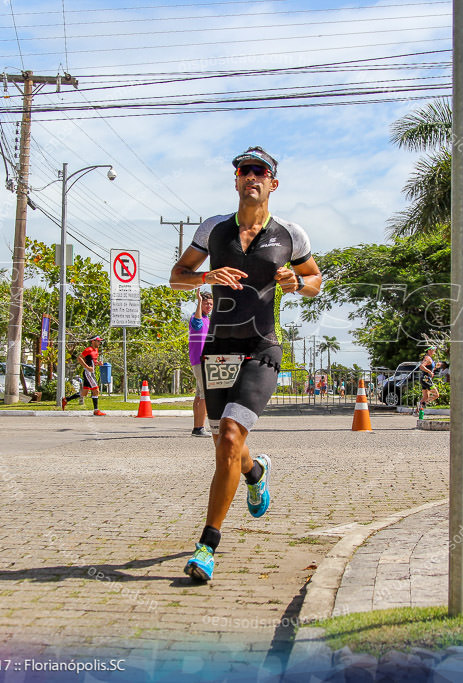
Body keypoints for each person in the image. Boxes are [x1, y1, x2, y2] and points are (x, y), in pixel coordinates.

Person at [169, 146, 321, 582]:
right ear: (236, 180)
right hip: (218, 346)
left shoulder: (291, 234)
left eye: (260, 171)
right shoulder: (213, 229)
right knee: (227, 447)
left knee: (232, 434)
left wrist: (297, 282)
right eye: (244, 170)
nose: (251, 176)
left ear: (273, 183)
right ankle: (256, 472)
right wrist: (205, 278)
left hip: (261, 346)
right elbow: (177, 274)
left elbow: (316, 280)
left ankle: (206, 546)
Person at [189, 290, 214, 436]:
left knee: (199, 395)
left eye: (211, 304)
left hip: (203, 360)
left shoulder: (207, 320)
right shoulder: (196, 318)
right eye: (206, 303)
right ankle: (200, 428)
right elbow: (197, 322)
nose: (209, 306)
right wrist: (199, 301)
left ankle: (197, 427)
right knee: (206, 395)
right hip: (200, 360)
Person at [65, 336, 105, 416]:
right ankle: (96, 410)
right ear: (93, 341)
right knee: (96, 391)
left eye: (100, 341)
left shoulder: (96, 350)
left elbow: (93, 361)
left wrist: (98, 363)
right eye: (98, 341)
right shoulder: (88, 349)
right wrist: (87, 367)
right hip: (88, 373)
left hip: (92, 372)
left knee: (84, 393)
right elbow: (79, 358)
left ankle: (66, 400)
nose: (99, 343)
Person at [415, 346, 440, 411]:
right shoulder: (427, 358)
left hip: (425, 379)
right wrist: (430, 372)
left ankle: (417, 410)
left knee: (426, 397)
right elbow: (421, 366)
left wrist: (435, 367)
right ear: (429, 350)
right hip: (426, 379)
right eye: (433, 350)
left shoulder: (429, 358)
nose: (434, 352)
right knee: (436, 395)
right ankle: (422, 404)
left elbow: (429, 368)